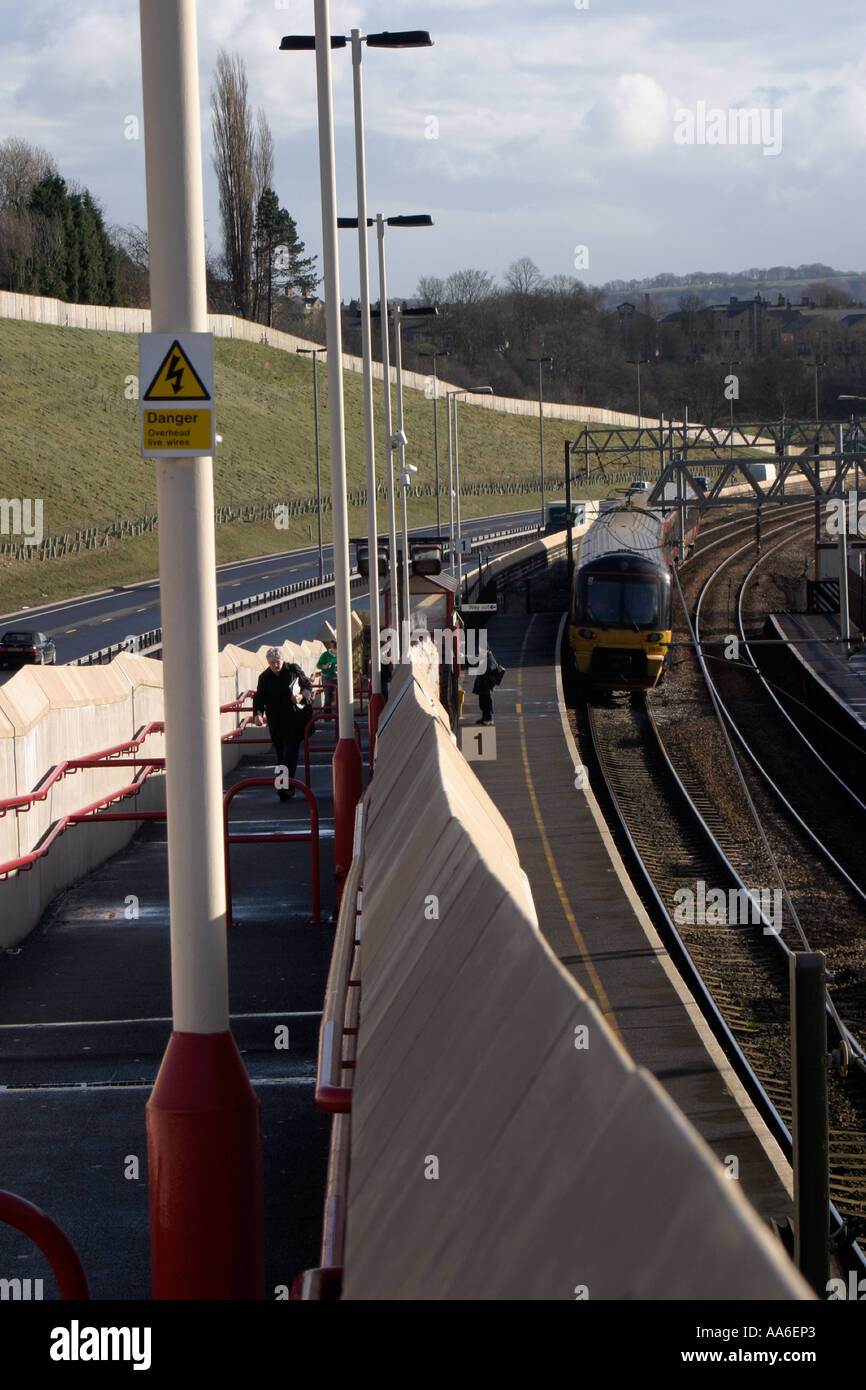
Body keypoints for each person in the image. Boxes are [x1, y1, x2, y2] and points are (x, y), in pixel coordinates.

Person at [251, 647, 313, 800]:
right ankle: (283, 789)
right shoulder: (264, 677)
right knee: (281, 756)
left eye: (277, 662)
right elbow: (259, 698)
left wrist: (300, 696)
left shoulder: (293, 670)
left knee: (289, 754)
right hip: (276, 722)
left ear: (282, 660)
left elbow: (308, 687)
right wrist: (258, 714)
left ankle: (285, 787)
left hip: (294, 720)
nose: (275, 666)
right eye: (272, 663)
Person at [472, 646, 503, 726]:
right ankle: (484, 717)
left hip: (487, 684)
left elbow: (491, 668)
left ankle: (489, 719)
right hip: (482, 684)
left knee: (487, 702)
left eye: (481, 649)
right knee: (482, 703)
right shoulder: (483, 657)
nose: (479, 650)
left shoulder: (489, 658)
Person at [316, 640, 338, 711]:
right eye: (337, 650)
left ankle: (338, 713)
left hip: (336, 677)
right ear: (333, 649)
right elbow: (318, 665)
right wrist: (324, 666)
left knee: (338, 695)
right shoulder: (325, 655)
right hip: (327, 677)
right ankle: (327, 716)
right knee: (328, 696)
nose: (338, 652)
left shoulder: (339, 655)